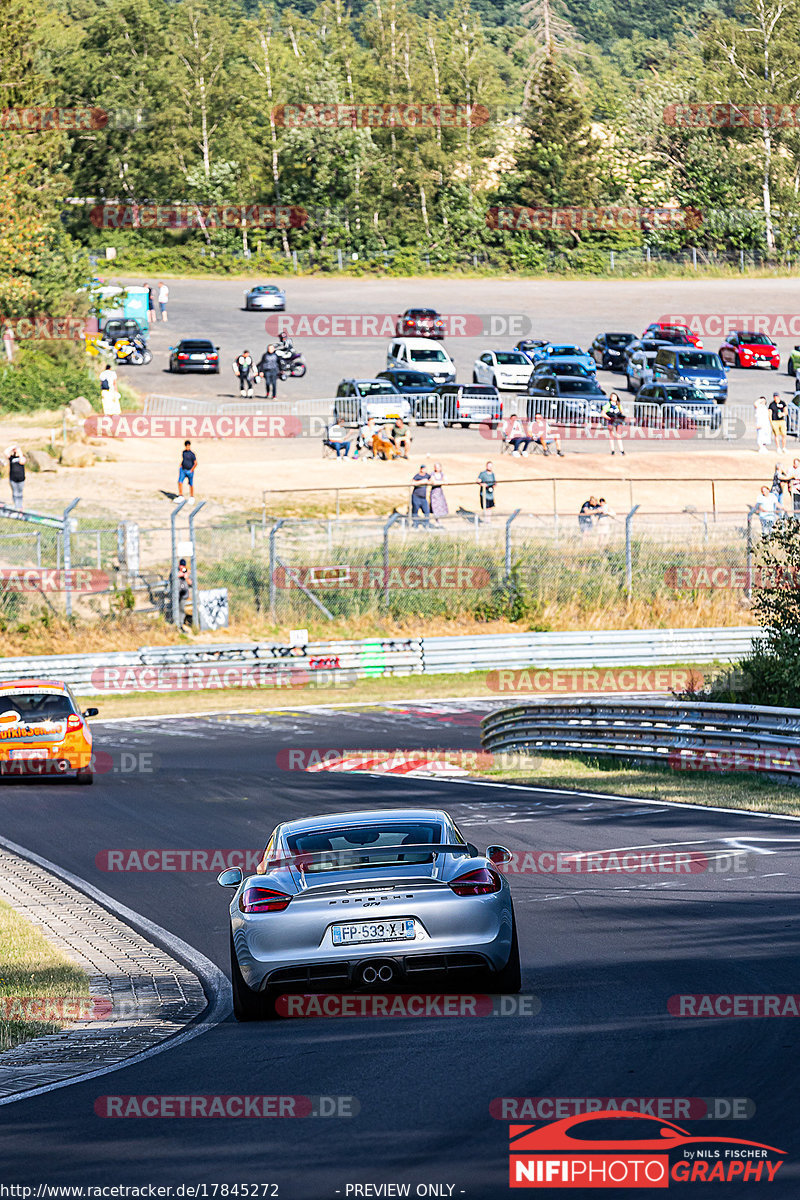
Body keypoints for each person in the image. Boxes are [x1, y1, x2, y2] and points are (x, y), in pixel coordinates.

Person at [5, 445, 25, 510]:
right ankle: (16, 506)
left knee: (20, 493)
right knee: (15, 493)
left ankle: (20, 506)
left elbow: (22, 461)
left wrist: (19, 452)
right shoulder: (11, 458)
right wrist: (12, 447)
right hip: (13, 478)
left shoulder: (22, 457)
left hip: (21, 479)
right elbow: (5, 452)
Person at [177, 557, 190, 627]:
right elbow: (176, 575)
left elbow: (190, 582)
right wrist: (182, 574)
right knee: (176, 608)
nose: (182, 567)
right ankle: (176, 623)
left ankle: (180, 624)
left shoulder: (185, 571)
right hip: (176, 594)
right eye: (181, 565)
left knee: (182, 609)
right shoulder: (175, 570)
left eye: (183, 566)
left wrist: (186, 576)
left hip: (183, 594)